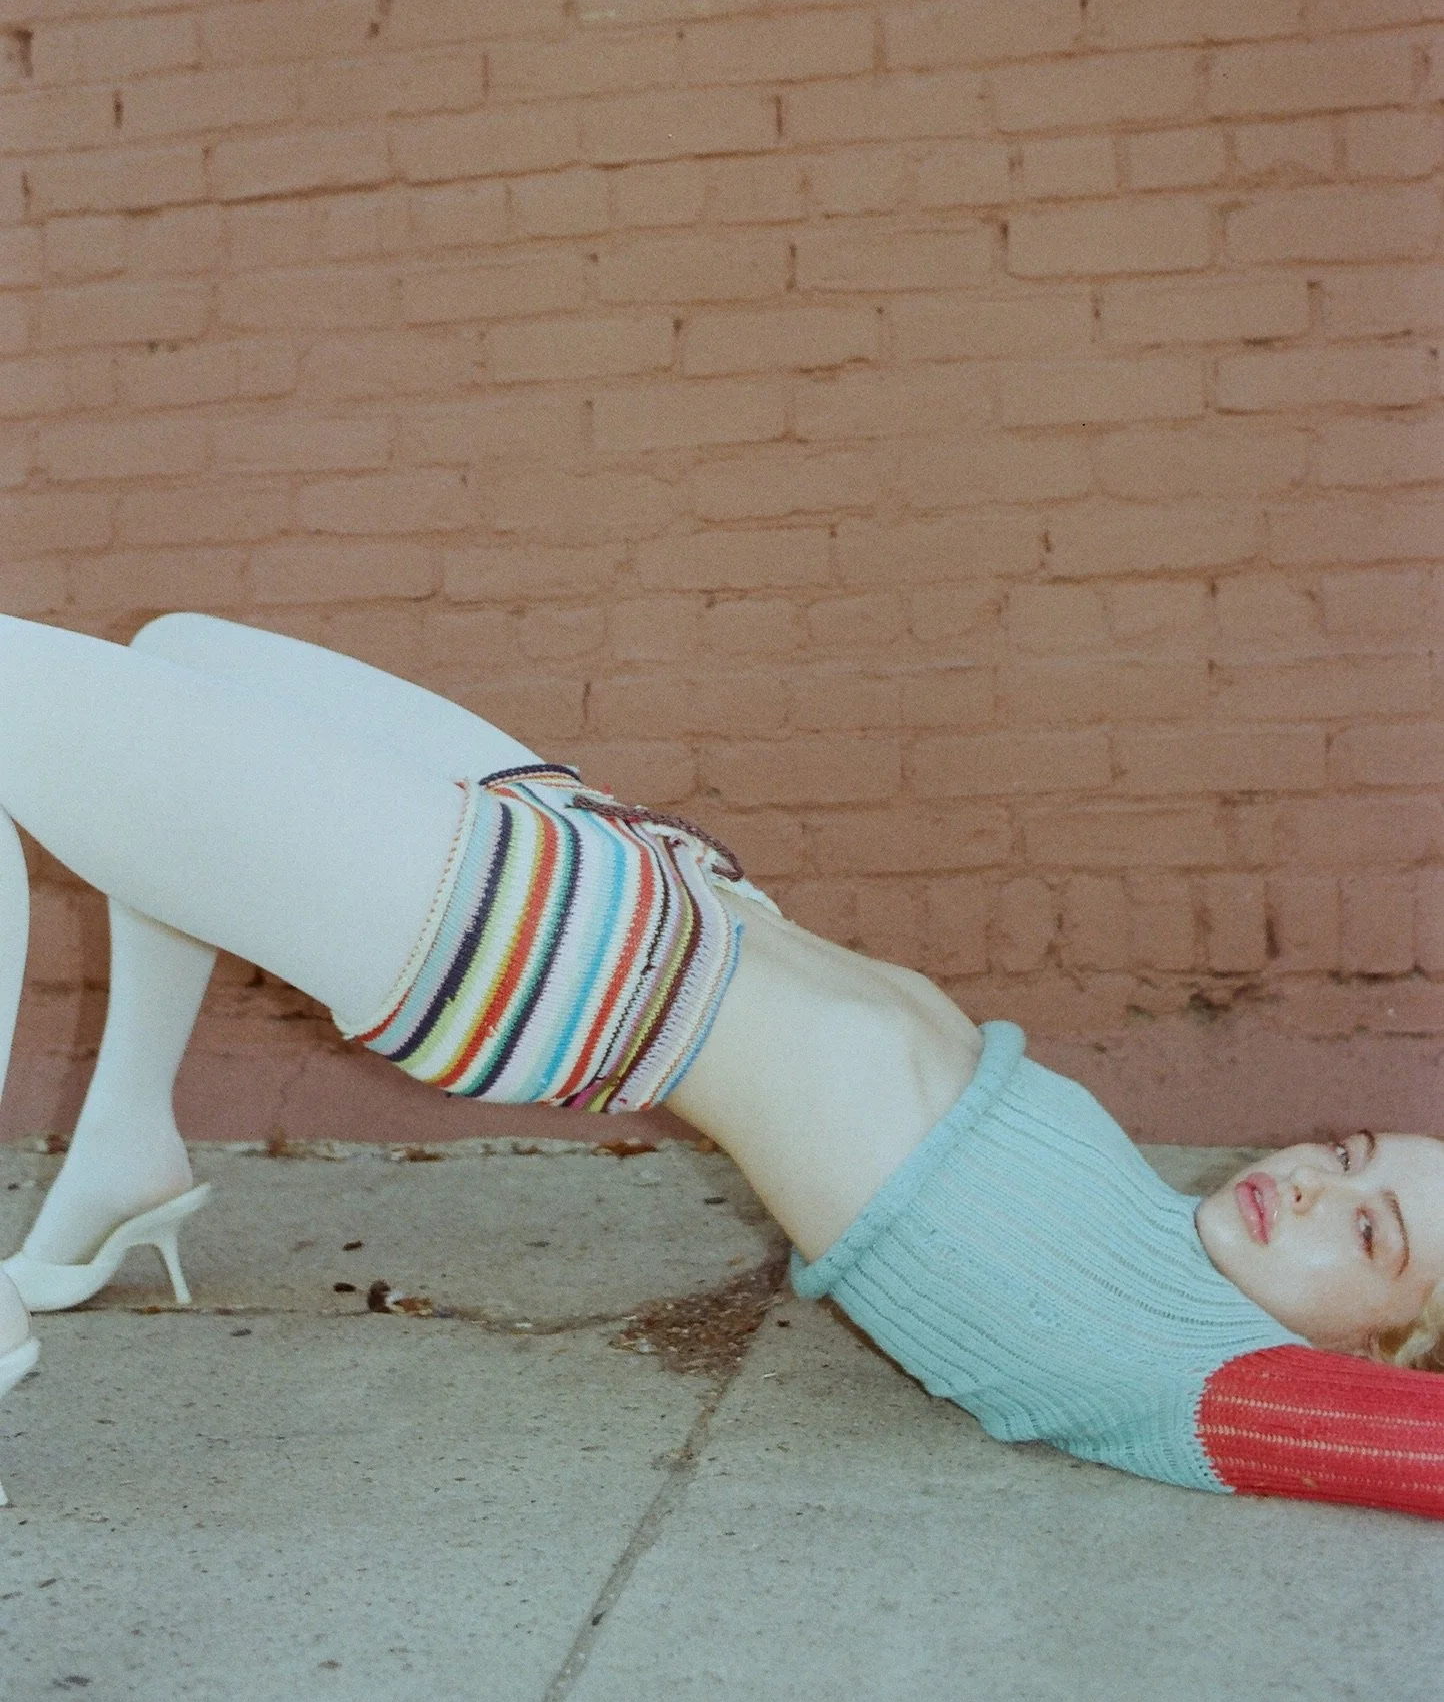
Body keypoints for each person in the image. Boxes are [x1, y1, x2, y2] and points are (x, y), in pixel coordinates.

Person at [1, 610, 1443, 1519]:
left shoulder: (1199, 1379)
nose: (1316, 1183)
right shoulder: (1146, 1223)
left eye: (1372, 1233)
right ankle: (128, 1142)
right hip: (618, 858)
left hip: (535, 953)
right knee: (179, 650)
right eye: (1352, 1157)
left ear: (1386, 1355)